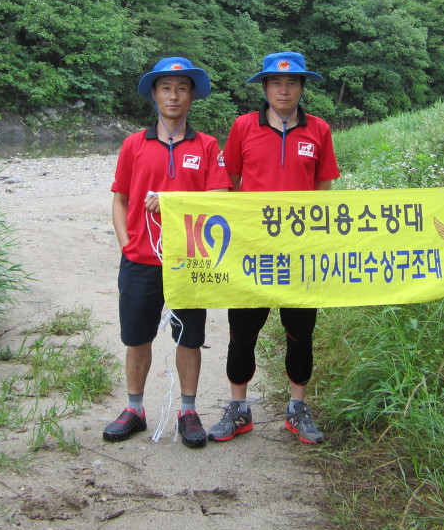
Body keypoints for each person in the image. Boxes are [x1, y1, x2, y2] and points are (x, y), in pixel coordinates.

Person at [208, 52, 340, 445]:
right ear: (264, 87)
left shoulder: (319, 130)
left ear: (302, 87)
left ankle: (297, 408)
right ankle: (238, 408)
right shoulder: (243, 126)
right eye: (276, 83)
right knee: (242, 332)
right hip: (252, 252)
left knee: (300, 333)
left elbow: (324, 189)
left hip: (300, 254)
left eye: (292, 82)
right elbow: (230, 180)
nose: (284, 90)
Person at [103, 57, 231, 448]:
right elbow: (120, 198)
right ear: (154, 95)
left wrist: (172, 201)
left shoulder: (207, 145)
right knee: (136, 337)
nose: (173, 96)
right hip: (140, 259)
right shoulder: (134, 144)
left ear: (192, 96)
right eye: (165, 88)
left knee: (189, 338)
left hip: (189, 261)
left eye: (181, 88)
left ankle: (188, 412)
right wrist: (126, 242)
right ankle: (134, 409)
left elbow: (219, 198)